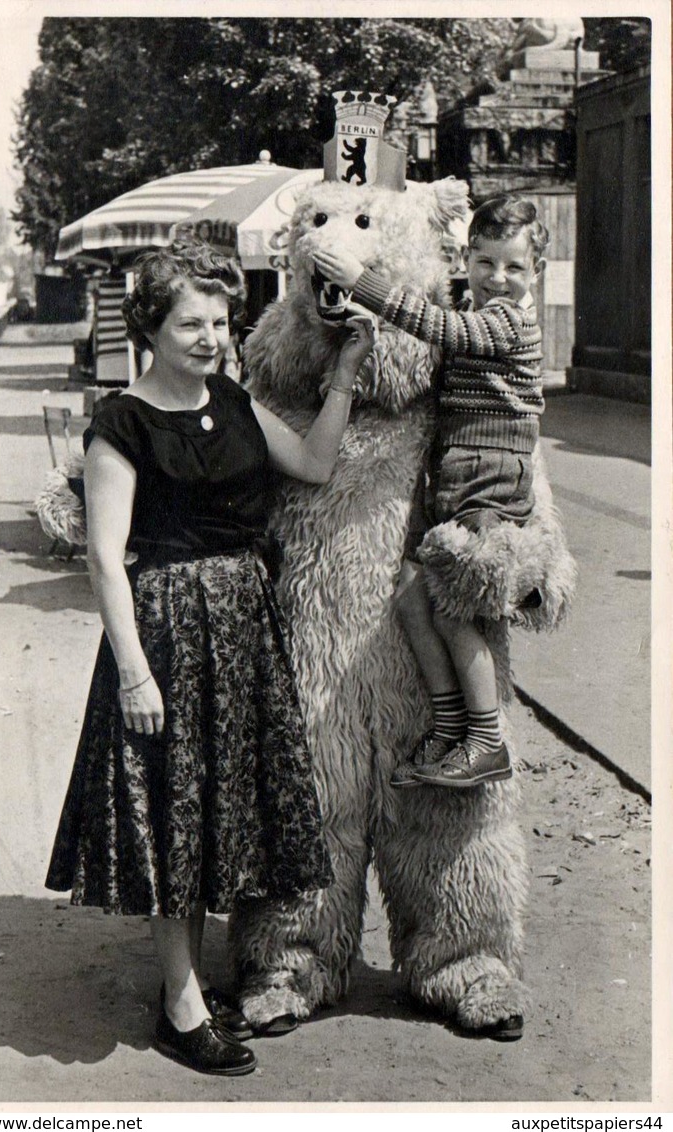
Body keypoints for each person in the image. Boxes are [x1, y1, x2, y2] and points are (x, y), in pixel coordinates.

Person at [45, 240, 376, 1076]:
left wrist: (343, 375)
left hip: (241, 632)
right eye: (190, 322)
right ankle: (183, 1005)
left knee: (215, 815)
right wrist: (133, 672)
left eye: (220, 321)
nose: (210, 337)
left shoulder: (230, 399)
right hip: (164, 634)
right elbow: (105, 558)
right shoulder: (120, 422)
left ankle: (185, 988)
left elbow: (314, 463)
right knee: (173, 813)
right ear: (150, 328)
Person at [313, 194, 548, 790]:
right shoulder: (474, 296)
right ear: (466, 258)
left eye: (515, 268)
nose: (499, 279)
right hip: (454, 471)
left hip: (492, 475)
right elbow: (433, 292)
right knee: (411, 594)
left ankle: (487, 740)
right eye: (486, 262)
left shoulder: (508, 321)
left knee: (451, 606)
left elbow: (440, 326)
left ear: (535, 275)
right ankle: (449, 725)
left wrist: (361, 282)